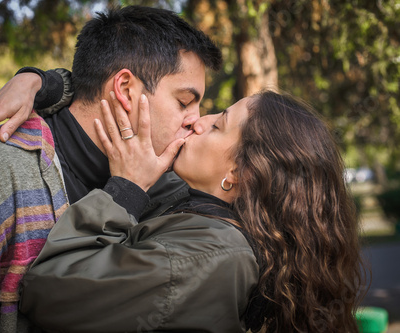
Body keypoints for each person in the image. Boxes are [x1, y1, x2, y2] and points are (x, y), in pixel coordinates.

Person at [0, 6, 222, 332]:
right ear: (125, 90)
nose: (196, 120)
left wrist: (45, 81)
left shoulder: (167, 190)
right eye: (184, 101)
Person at [19, 90, 365, 332]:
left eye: (217, 125)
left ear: (239, 173)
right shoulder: (194, 208)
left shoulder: (212, 254)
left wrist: (125, 190)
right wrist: (43, 84)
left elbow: (47, 293)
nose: (198, 121)